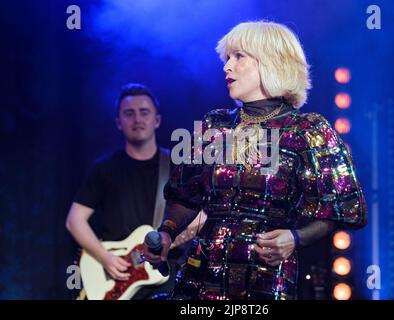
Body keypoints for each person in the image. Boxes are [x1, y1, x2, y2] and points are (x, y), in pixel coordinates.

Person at [145, 21, 367, 300]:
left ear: (271, 62)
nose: (227, 66)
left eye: (239, 57)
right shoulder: (216, 124)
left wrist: (295, 238)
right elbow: (186, 196)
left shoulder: (307, 130)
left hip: (263, 281)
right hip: (199, 279)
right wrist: (167, 232)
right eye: (227, 58)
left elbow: (344, 208)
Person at [66, 83, 206, 300]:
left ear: (157, 120)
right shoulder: (104, 168)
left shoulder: (177, 166)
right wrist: (106, 258)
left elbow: (200, 217)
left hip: (164, 275)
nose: (137, 119)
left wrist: (173, 236)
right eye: (129, 113)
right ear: (118, 122)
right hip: (115, 270)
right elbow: (74, 221)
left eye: (144, 112)